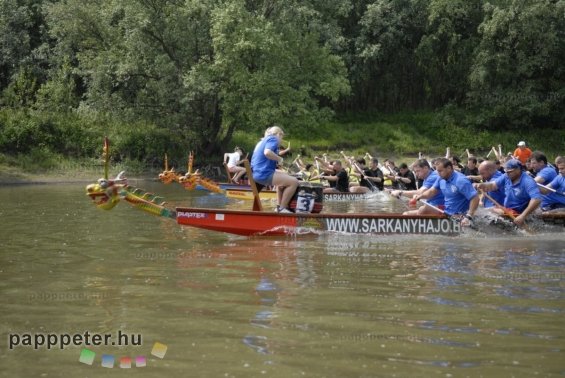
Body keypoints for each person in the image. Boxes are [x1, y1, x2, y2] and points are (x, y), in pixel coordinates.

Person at [474, 159, 541, 226]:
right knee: (482, 212)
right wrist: (482, 185)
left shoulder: (528, 181)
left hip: (518, 212)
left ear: (518, 170)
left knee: (488, 211)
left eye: (510, 172)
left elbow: (537, 199)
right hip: (507, 210)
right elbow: (493, 185)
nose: (507, 174)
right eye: (506, 172)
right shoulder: (506, 176)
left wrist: (523, 216)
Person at [412, 158, 479, 224]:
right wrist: (420, 196)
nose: (438, 174)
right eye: (437, 171)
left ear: (449, 168)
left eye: (440, 171)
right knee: (423, 210)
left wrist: (469, 216)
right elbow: (432, 192)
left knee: (423, 211)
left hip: (459, 214)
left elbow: (475, 198)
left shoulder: (460, 181)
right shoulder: (441, 179)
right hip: (446, 209)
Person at [250, 126, 298, 213]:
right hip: (263, 174)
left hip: (255, 173)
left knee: (284, 178)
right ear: (279, 134)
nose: (281, 140)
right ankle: (283, 209)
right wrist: (280, 159)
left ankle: (279, 207)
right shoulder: (273, 139)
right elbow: (267, 152)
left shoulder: (261, 142)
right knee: (294, 182)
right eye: (282, 137)